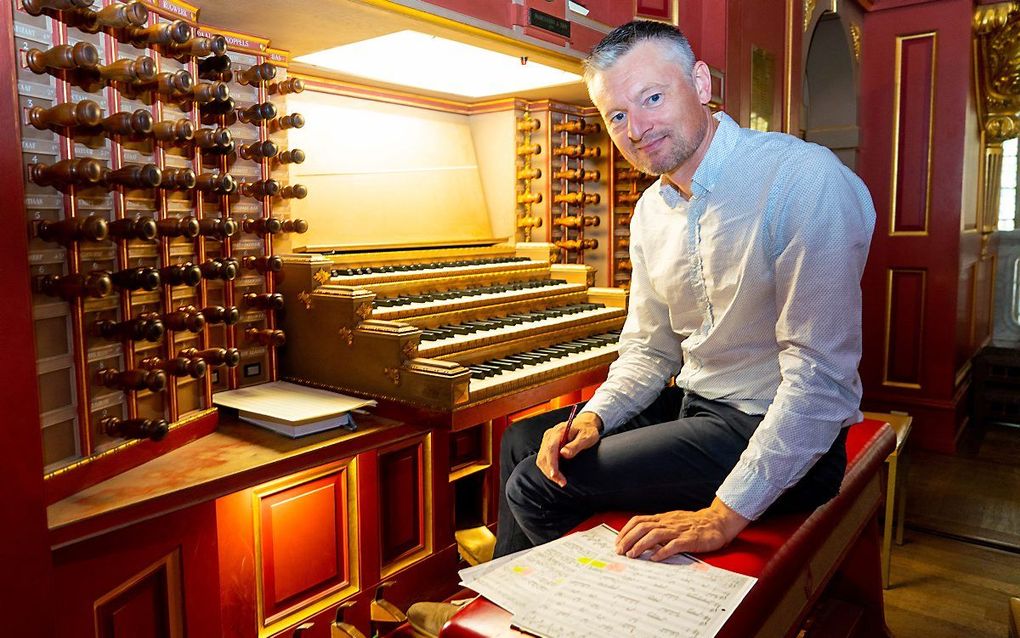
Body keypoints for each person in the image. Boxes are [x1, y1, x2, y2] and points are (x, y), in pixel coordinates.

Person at [405, 19, 875, 637]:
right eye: (616, 115)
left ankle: (529, 624)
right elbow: (649, 349)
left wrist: (723, 516)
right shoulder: (653, 209)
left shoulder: (803, 181)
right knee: (525, 443)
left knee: (537, 487)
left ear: (700, 83)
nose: (637, 127)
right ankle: (514, 602)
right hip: (701, 408)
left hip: (783, 429)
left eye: (652, 97)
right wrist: (596, 416)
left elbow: (821, 384)